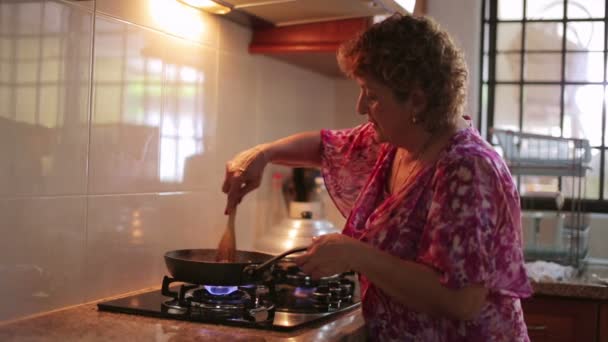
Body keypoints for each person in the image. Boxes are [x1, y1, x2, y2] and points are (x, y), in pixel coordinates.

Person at [222, 13, 532, 341]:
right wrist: (263, 154)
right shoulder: (395, 142)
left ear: (416, 99)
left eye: (371, 95)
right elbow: (323, 145)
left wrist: (355, 254)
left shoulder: (467, 169)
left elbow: (461, 300)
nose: (360, 107)